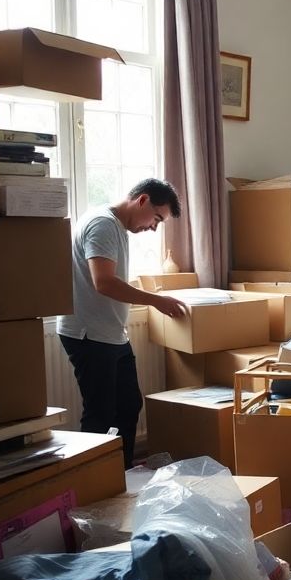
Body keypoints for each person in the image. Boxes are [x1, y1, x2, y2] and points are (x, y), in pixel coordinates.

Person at [57, 178, 188, 467]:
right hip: (89, 334)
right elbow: (103, 282)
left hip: (111, 334)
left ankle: (122, 473)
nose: (153, 228)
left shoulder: (116, 226)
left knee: (129, 405)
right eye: (156, 219)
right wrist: (155, 300)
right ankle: (94, 479)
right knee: (100, 413)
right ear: (142, 200)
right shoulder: (103, 224)